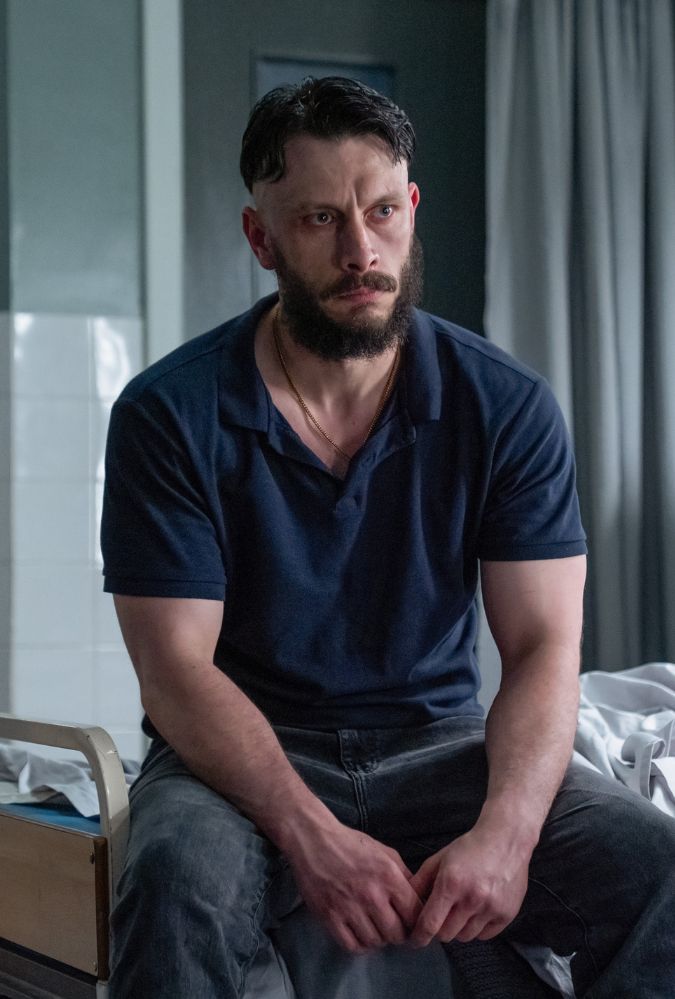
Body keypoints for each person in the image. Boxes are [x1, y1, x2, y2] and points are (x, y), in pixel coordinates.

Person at [101, 77, 675, 998]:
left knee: (655, 865)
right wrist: (312, 837)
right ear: (262, 239)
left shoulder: (506, 405)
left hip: (438, 743)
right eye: (321, 218)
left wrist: (505, 834)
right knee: (176, 881)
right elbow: (175, 669)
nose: (360, 250)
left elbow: (540, 647)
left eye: (379, 212)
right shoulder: (168, 413)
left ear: (410, 210)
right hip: (247, 753)